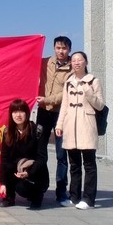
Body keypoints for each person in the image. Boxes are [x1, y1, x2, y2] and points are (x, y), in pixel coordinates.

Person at [54, 51, 104, 210]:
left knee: (89, 164)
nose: (76, 63)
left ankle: (89, 199)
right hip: (71, 126)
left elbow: (100, 105)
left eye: (79, 60)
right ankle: (74, 197)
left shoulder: (94, 81)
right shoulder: (68, 82)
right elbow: (64, 105)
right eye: (74, 60)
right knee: (74, 164)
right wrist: (59, 125)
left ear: (85, 62)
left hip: (87, 125)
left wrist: (88, 92)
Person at [36, 36, 72, 204]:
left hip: (61, 114)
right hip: (43, 112)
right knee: (40, 152)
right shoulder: (45, 62)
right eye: (58, 48)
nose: (61, 51)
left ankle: (61, 192)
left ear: (69, 50)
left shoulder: (72, 69)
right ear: (54, 48)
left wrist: (46, 100)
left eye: (64, 48)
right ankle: (40, 187)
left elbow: (66, 93)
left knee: (61, 154)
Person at [0, 99, 50, 209]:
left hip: (35, 171)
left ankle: (36, 196)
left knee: (22, 188)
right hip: (17, 169)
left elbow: (42, 158)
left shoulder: (37, 130)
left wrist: (28, 172)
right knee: (8, 166)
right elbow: (5, 159)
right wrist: (3, 183)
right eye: (15, 112)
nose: (18, 115)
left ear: (27, 113)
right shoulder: (8, 132)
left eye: (21, 111)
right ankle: (9, 198)